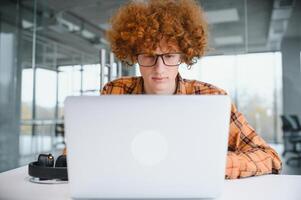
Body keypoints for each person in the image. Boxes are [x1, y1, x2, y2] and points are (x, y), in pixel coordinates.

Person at [65, 0, 282, 179]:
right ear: (135, 56)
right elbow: (80, 152)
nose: (159, 69)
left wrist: (220, 165)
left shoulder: (211, 97)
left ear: (183, 56)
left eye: (169, 56)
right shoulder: (116, 91)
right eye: (149, 56)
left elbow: (269, 155)